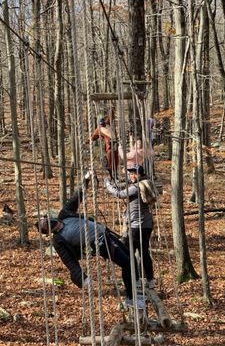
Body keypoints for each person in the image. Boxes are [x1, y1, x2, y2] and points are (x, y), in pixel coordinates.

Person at [36, 173, 144, 309]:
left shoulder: (64, 214)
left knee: (132, 260)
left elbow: (76, 197)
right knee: (127, 264)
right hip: (101, 244)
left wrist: (86, 179)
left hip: (107, 235)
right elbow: (68, 261)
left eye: (45, 219)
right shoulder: (58, 240)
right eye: (44, 225)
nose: (47, 221)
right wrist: (82, 277)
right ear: (47, 232)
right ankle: (131, 298)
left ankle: (135, 291)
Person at [104, 164, 155, 289]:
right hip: (147, 225)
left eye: (134, 173)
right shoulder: (146, 184)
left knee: (128, 253)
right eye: (131, 173)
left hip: (136, 226)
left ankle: (135, 280)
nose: (132, 176)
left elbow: (119, 194)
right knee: (144, 252)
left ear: (140, 174)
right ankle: (150, 280)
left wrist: (107, 185)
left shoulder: (136, 187)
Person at [86, 115, 118, 181]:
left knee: (116, 161)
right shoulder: (99, 129)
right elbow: (93, 136)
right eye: (100, 122)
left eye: (102, 121)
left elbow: (110, 117)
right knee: (110, 162)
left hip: (115, 145)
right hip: (109, 147)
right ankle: (112, 177)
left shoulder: (107, 124)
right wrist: (87, 141)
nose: (102, 123)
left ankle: (116, 176)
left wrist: (112, 108)